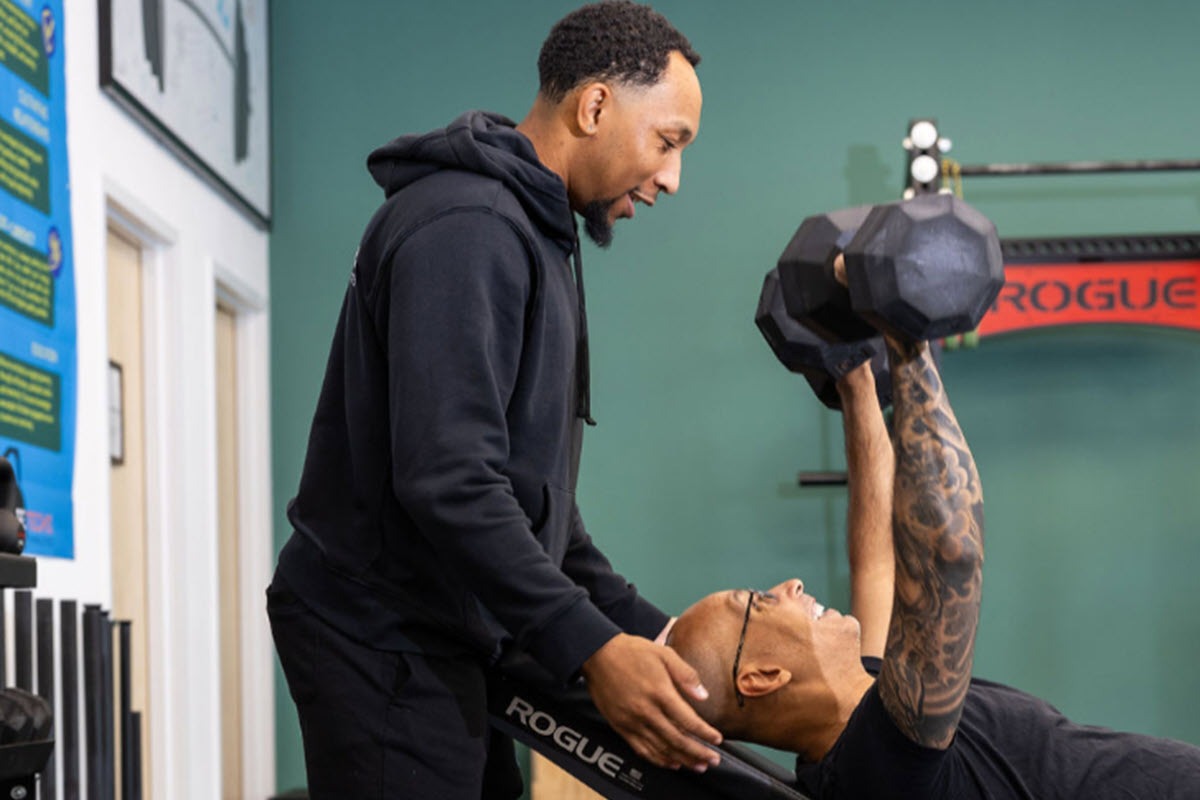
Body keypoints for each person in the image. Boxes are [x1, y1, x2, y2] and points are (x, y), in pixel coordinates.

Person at [266, 2, 721, 798]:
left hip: (452, 628)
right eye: (668, 141)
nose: (671, 178)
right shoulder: (467, 227)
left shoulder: (534, 231)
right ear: (595, 106)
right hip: (382, 635)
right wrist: (592, 647)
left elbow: (538, 504)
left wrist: (663, 638)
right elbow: (449, 480)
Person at [668, 330, 1200, 798]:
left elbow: (877, 560)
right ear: (762, 677)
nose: (790, 584)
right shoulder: (877, 768)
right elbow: (950, 556)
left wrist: (855, 378)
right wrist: (908, 343)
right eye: (761, 601)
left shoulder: (860, 707)